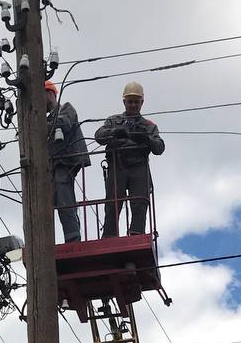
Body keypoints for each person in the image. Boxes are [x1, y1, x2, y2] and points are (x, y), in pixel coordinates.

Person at [94, 81, 165, 238]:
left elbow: (159, 147)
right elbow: (98, 136)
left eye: (136, 102)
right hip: (117, 166)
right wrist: (113, 132)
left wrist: (147, 139)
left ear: (142, 103)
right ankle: (109, 236)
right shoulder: (113, 120)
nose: (133, 105)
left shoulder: (148, 126)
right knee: (113, 204)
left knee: (140, 203)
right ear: (124, 102)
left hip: (138, 168)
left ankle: (136, 233)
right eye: (130, 102)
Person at [46, 80, 90, 244]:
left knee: (64, 197)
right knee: (48, 199)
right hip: (53, 165)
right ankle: (44, 239)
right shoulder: (48, 118)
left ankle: (72, 238)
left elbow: (64, 124)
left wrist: (38, 125)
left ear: (50, 94)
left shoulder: (66, 108)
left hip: (66, 162)